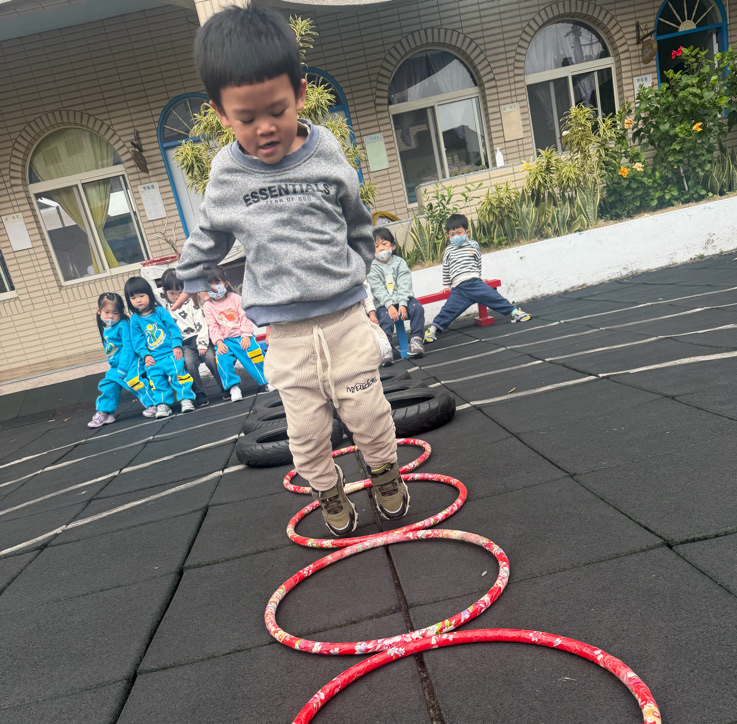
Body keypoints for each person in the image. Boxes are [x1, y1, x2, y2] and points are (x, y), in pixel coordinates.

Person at [173, 3, 408, 536]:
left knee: (370, 416)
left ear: (299, 94)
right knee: (305, 434)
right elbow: (210, 231)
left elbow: (356, 217)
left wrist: (355, 267)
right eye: (246, 118)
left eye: (277, 110)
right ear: (220, 113)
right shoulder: (227, 173)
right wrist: (191, 276)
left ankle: (384, 473)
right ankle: (328, 490)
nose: (265, 129)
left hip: (345, 320)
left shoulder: (325, 151)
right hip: (286, 334)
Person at [423, 214, 531, 344]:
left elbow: (478, 262)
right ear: (448, 236)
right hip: (459, 287)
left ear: (467, 232)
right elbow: (446, 268)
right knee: (448, 310)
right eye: (452, 234)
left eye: (459, 233)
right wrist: (446, 286)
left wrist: (478, 278)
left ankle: (514, 312)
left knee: (494, 297)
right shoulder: (449, 250)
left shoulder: (473, 245)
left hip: (474, 283)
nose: (456, 236)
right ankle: (432, 330)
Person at [125, 276, 196, 418]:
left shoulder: (160, 311)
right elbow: (137, 340)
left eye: (141, 296)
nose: (138, 300)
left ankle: (185, 399)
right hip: (153, 358)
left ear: (149, 295)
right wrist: (145, 355)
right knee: (157, 382)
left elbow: (173, 329)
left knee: (179, 375)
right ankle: (163, 404)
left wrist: (177, 346)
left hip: (170, 353)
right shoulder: (135, 319)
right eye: (133, 298)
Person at [88, 292, 158, 428]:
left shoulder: (123, 325)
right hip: (117, 366)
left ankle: (154, 404)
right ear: (98, 310)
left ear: (121, 312)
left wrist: (123, 368)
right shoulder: (105, 328)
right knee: (108, 384)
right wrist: (115, 365)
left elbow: (128, 348)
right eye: (107, 312)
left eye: (115, 313)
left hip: (131, 362)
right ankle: (104, 413)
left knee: (134, 380)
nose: (111, 316)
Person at [203, 266, 269, 403]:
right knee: (222, 358)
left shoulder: (236, 298)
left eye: (217, 282)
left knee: (254, 353)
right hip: (225, 340)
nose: (214, 287)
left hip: (242, 336)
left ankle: (266, 380)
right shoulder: (208, 305)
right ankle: (233, 387)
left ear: (226, 284)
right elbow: (212, 325)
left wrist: (246, 335)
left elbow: (244, 317)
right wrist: (219, 342)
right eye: (210, 284)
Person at [160, 268, 225, 406]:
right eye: (172, 293)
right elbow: (154, 293)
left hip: (200, 339)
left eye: (180, 292)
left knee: (212, 359)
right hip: (185, 343)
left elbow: (201, 323)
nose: (177, 297)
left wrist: (202, 344)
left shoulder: (192, 303)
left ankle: (224, 386)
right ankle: (200, 393)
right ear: (165, 292)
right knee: (189, 364)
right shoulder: (166, 308)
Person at [368, 227, 425, 358]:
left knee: (417, 309)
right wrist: (389, 305)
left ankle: (416, 340)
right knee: (385, 319)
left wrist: (403, 303)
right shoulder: (372, 268)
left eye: (384, 244)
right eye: (376, 246)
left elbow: (404, 284)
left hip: (403, 300)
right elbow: (377, 289)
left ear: (392, 246)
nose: (381, 249)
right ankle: (386, 348)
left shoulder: (400, 263)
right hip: (384, 304)